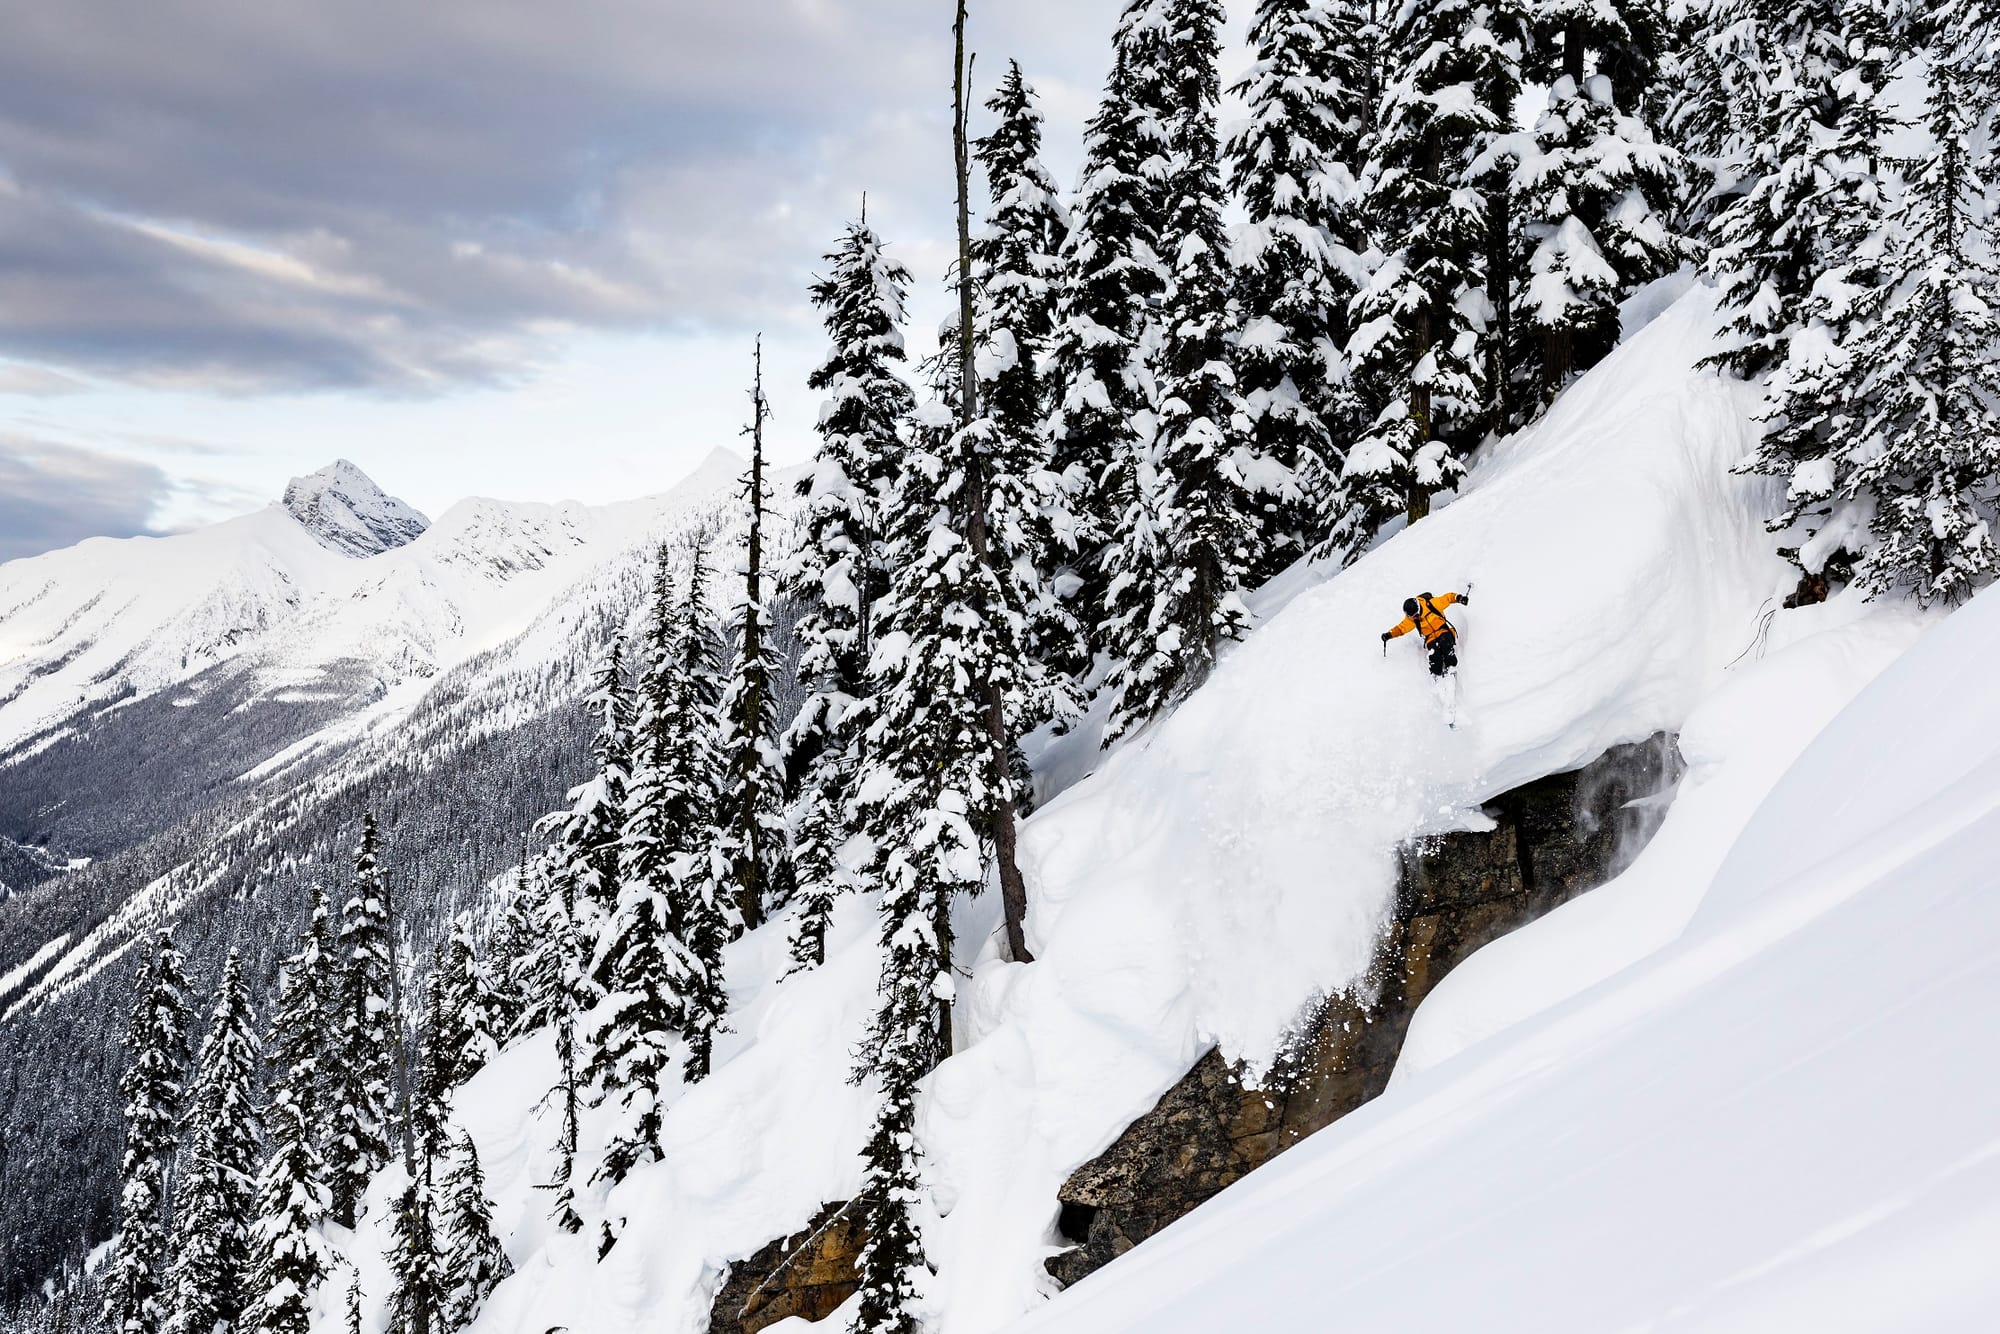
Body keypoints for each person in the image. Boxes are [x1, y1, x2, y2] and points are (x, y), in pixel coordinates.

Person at [1381, 590, 1469, 679]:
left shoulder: (1432, 604)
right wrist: (1389, 635)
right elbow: (1401, 628)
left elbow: (1448, 598)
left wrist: (1459, 598)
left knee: (1445, 644)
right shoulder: (1412, 619)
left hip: (1443, 630)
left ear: (1419, 609)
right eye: (1412, 617)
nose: (1415, 618)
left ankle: (1451, 666)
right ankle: (1436, 673)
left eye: (1416, 615)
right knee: (1433, 653)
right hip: (1430, 638)